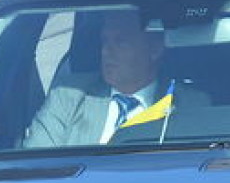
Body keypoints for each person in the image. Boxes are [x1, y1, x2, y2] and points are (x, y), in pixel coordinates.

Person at [23, 9, 189, 148]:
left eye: (120, 42)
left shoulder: (186, 103)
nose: (106, 51)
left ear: (154, 49)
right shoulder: (68, 97)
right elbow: (34, 167)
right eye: (105, 41)